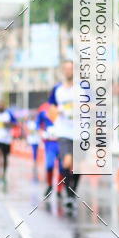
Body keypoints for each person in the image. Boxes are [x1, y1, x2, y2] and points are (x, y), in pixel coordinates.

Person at [48, 61, 78, 213]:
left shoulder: (82, 88)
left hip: (81, 131)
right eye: (65, 68)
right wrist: (57, 111)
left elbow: (94, 104)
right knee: (66, 163)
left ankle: (73, 193)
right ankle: (68, 194)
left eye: (70, 68)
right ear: (63, 71)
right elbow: (51, 108)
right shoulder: (57, 90)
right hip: (64, 132)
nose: (68, 71)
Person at [37, 106, 64, 202]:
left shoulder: (65, 106)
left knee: (62, 167)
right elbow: (38, 125)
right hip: (50, 143)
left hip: (63, 141)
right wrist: (42, 133)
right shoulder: (44, 109)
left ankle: (60, 189)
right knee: (49, 165)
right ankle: (49, 185)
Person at [0, 100, 16, 186]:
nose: (0, 107)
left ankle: (4, 175)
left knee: (5, 158)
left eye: (2, 105)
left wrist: (8, 124)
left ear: (4, 106)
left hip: (6, 139)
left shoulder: (9, 114)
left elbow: (15, 124)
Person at [25, 113, 41, 181]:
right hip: (32, 141)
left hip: (35, 142)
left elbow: (37, 131)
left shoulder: (36, 123)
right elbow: (29, 132)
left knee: (35, 157)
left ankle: (35, 170)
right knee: (33, 157)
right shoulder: (29, 123)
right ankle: (34, 170)